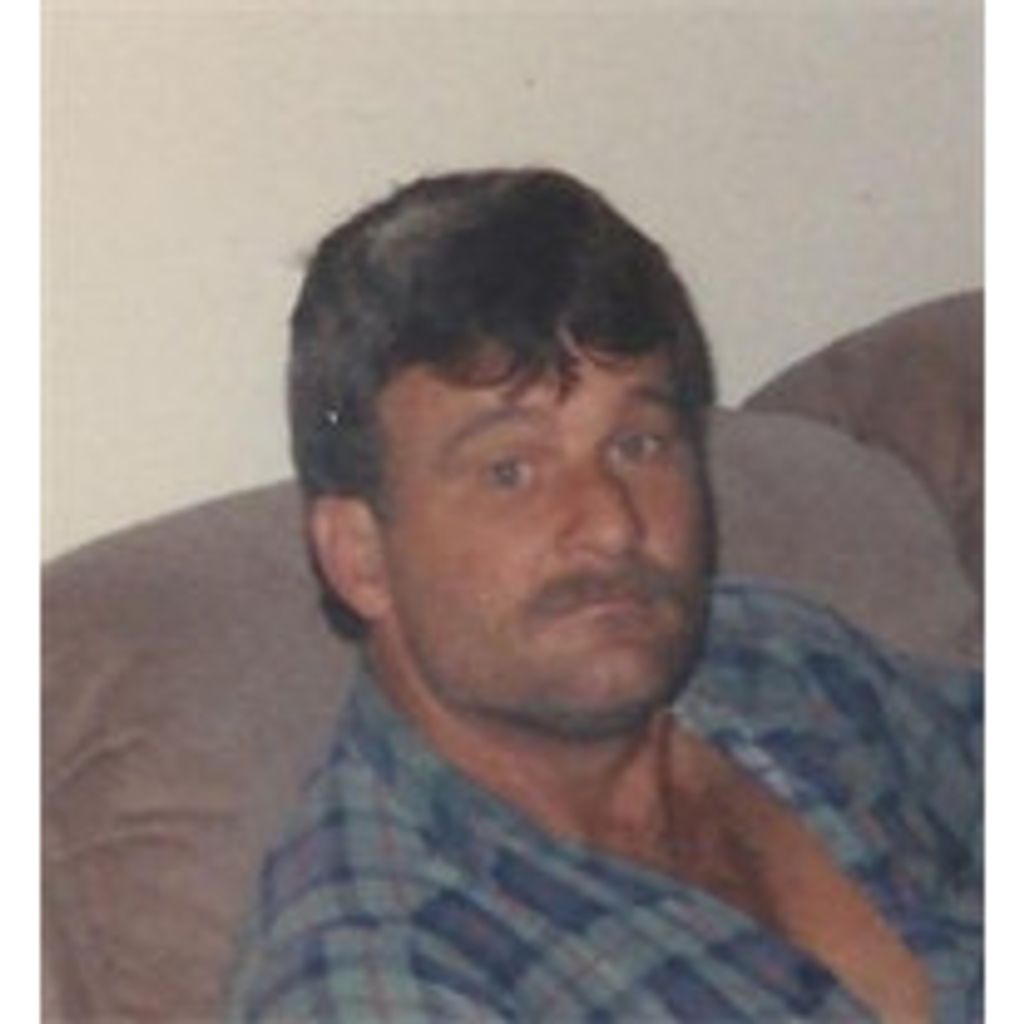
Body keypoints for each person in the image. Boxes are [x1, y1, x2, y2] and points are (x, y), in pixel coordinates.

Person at [227, 169, 981, 1022]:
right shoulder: (379, 973)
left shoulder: (771, 659)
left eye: (638, 444)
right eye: (510, 470)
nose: (612, 524)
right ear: (360, 557)